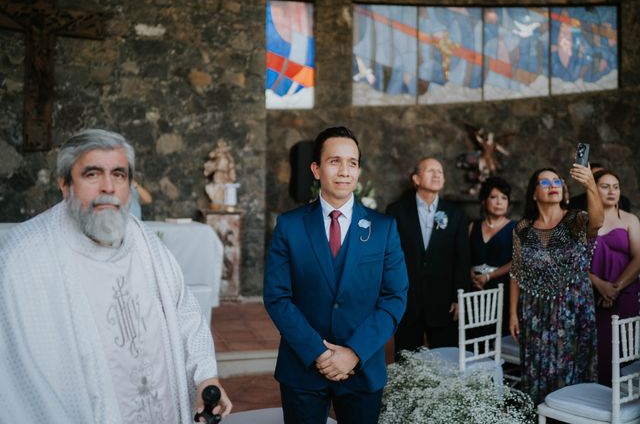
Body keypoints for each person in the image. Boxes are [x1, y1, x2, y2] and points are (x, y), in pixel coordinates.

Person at [0, 129, 231, 423]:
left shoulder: (148, 244)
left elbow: (186, 315)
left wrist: (205, 378)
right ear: (65, 184)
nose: (108, 186)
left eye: (119, 175)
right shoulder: (23, 260)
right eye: (93, 174)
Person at [263, 126, 408, 424]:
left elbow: (394, 297)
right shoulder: (289, 226)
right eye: (335, 161)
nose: (345, 171)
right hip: (303, 367)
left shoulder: (384, 229)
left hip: (363, 367)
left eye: (352, 163)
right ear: (316, 169)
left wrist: (354, 352)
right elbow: (277, 297)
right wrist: (319, 353)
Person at [509, 165, 603, 404]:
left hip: (573, 307)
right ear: (533, 193)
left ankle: (571, 416)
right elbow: (516, 273)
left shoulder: (575, 220)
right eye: (545, 182)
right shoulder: (523, 228)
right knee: (538, 366)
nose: (553, 186)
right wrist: (512, 313)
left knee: (570, 368)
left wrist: (590, 185)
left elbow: (597, 222)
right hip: (535, 310)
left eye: (557, 182)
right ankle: (541, 415)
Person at [386, 158, 471, 352]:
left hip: (444, 302)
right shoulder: (397, 211)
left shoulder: (456, 214)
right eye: (431, 171)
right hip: (408, 300)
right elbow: (389, 257)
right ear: (416, 179)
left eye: (440, 172)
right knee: (407, 361)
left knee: (447, 360)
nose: (437, 175)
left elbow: (462, 257)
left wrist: (460, 297)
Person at [589, 169, 640, 385]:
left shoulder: (630, 220)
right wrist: (600, 285)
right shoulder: (584, 221)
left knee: (625, 349)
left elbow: (639, 258)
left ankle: (625, 407)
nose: (612, 191)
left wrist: (614, 288)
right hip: (592, 296)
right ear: (593, 190)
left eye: (616, 186)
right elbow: (573, 263)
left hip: (625, 293)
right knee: (598, 349)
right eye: (605, 186)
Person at [468, 176, 515, 336]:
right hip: (473, 290)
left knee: (497, 338)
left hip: (501, 289)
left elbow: (517, 261)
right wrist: (470, 275)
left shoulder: (515, 228)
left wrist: (488, 277)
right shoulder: (472, 226)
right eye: (493, 197)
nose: (499, 202)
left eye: (504, 198)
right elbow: (464, 255)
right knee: (472, 337)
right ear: (483, 201)